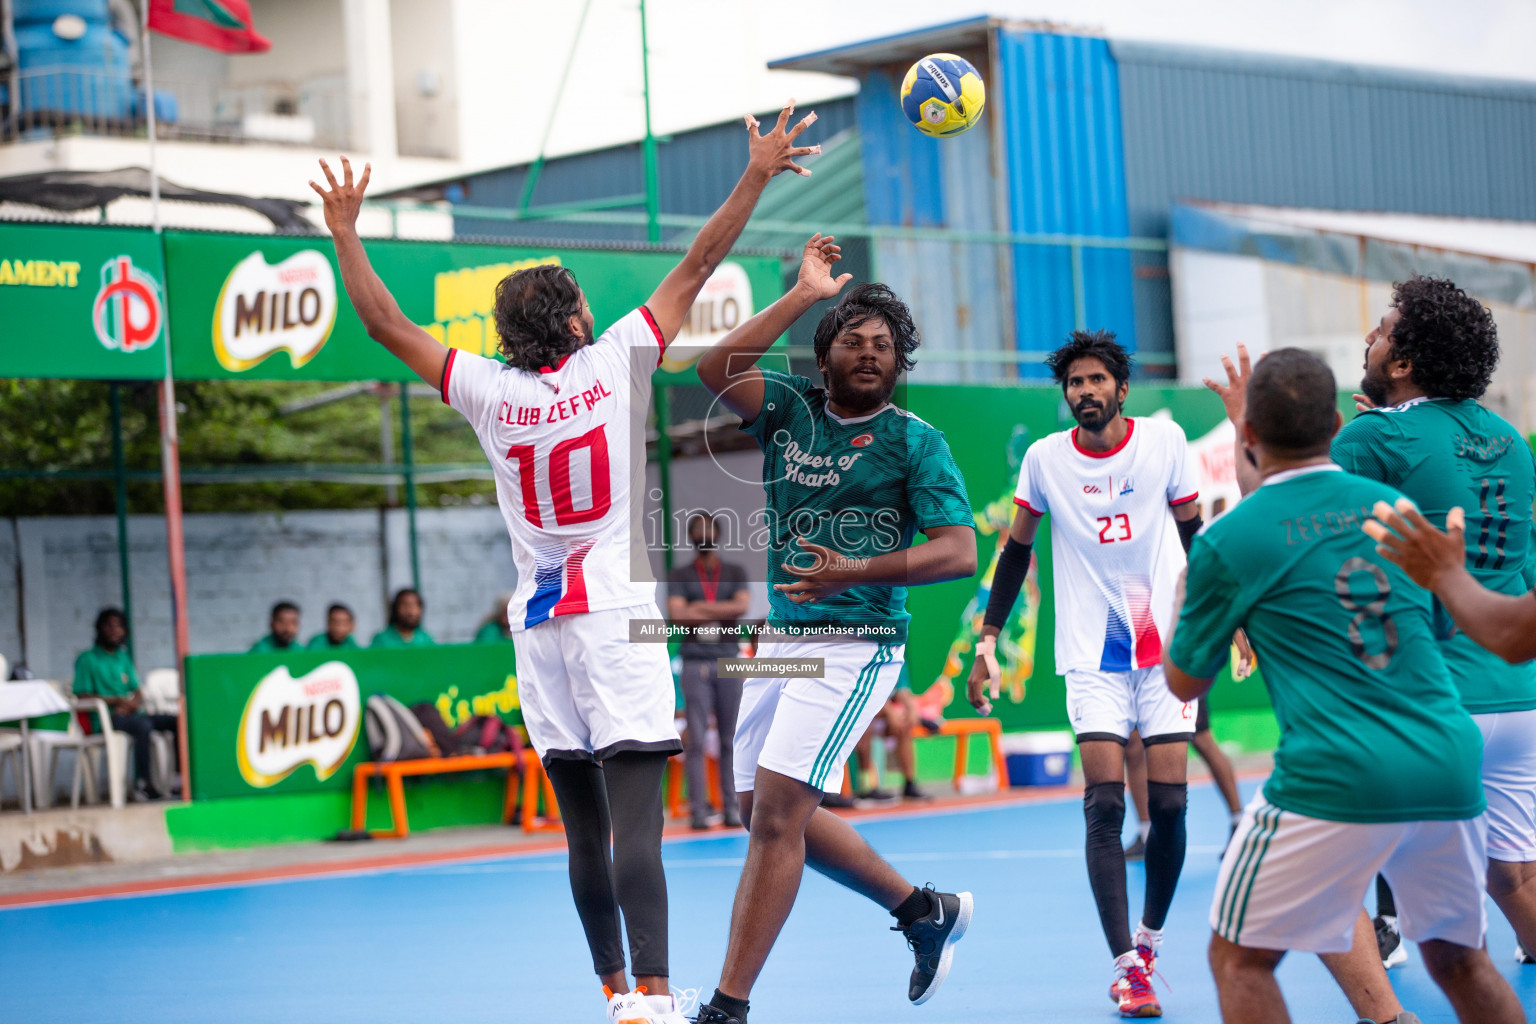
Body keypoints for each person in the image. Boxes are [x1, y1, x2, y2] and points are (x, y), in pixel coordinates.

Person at [310, 99, 818, 1024]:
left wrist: (347, 232)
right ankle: (658, 999)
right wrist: (755, 171)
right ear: (575, 316)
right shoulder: (617, 357)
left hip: (536, 622)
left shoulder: (485, 390)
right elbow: (699, 261)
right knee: (638, 822)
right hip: (615, 614)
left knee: (583, 826)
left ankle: (616, 991)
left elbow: (383, 324)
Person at [1164, 347, 1523, 1024]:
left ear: (1248, 437)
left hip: (1339, 773)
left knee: (1239, 960)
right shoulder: (1395, 509)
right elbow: (1444, 625)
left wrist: (1183, 601)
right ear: (1335, 422)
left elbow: (1185, 681)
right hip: (1446, 759)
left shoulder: (1228, 542)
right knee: (1461, 961)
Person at [690, 247, 978, 1024]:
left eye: (884, 346)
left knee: (778, 815)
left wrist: (856, 566)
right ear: (824, 357)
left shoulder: (915, 441)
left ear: (899, 363)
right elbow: (714, 368)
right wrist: (804, 293)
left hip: (859, 643)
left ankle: (728, 1006)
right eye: (853, 341)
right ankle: (922, 911)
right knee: (757, 809)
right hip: (786, 641)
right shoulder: (789, 407)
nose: (870, 353)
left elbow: (960, 550)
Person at [967, 329, 1203, 1017]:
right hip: (1091, 653)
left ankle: (1151, 938)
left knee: (1169, 808)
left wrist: (1227, 618)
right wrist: (987, 640)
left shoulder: (1164, 443)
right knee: (1104, 803)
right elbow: (1014, 553)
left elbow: (1195, 534)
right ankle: (1128, 969)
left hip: (1163, 647)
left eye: (1098, 380)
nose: (1086, 392)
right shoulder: (1043, 461)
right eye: (1075, 383)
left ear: (1121, 389)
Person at [1318, 275, 1536, 973]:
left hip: (1441, 699)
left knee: (1336, 872)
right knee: (1516, 880)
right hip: (1522, 695)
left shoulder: (1372, 437)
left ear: (1404, 362)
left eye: (1381, 331)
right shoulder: (1510, 440)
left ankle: (1386, 1013)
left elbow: (1303, 510)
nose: (1369, 339)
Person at [667, 514, 750, 830]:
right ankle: (699, 812)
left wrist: (698, 609)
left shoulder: (735, 571)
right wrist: (719, 609)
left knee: (731, 738)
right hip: (696, 662)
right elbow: (677, 614)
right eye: (697, 529)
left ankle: (732, 809)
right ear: (691, 536)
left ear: (718, 533)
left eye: (709, 529)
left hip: (728, 659)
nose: (704, 534)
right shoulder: (680, 574)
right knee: (697, 740)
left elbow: (741, 606)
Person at [72, 608, 179, 802]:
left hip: (130, 714)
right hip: (104, 720)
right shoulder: (87, 659)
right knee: (143, 726)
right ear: (100, 628)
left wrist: (131, 704)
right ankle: (143, 785)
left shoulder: (123, 658)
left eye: (119, 626)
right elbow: (81, 695)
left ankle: (179, 779)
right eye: (109, 625)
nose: (115, 630)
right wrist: (116, 701)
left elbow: (137, 690)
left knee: (177, 721)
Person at [1124, 703, 1244, 862]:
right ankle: (1147, 834)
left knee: (1201, 738)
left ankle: (1240, 824)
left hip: (1180, 680)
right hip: (1138, 682)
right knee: (1134, 745)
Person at [851, 662, 926, 802]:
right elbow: (867, 691)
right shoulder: (868, 652)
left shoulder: (897, 654)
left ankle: (909, 784)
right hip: (862, 710)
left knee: (903, 726)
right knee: (864, 725)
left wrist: (911, 710)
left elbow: (902, 690)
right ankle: (866, 787)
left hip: (882, 714)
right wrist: (890, 712)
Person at [371, 588, 436, 648]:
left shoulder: (426, 640)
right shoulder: (381, 640)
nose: (411, 611)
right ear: (395, 608)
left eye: (415, 605)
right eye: (405, 605)